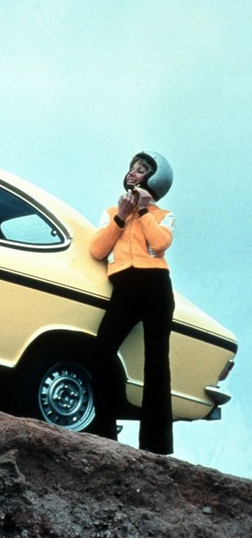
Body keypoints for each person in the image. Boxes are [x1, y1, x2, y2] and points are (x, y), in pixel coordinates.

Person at [89, 151, 176, 455]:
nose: (133, 173)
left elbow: (160, 243)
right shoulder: (111, 212)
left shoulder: (164, 215)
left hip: (155, 287)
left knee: (157, 363)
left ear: (154, 180)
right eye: (132, 168)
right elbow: (98, 250)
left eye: (141, 170)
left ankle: (156, 447)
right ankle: (104, 431)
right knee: (101, 352)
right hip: (125, 287)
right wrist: (121, 216)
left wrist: (142, 211)